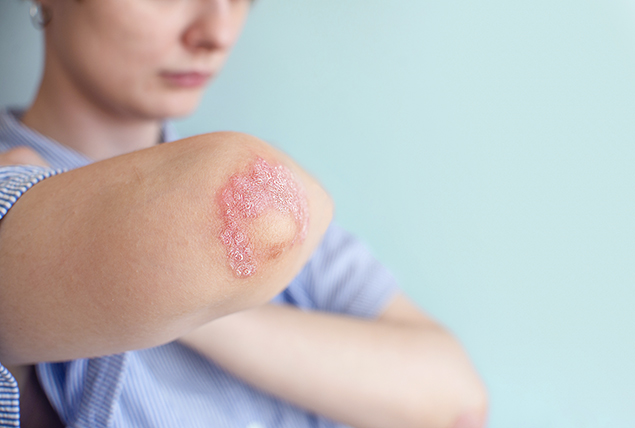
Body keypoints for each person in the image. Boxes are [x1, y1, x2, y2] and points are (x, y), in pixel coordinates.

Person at [0, 1, 488, 427]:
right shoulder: (257, 195)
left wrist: (192, 309)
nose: (217, 33)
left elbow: (458, 399)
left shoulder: (268, 199)